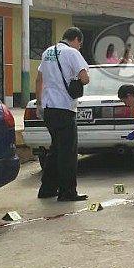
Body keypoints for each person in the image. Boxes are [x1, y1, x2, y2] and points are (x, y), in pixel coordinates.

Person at [35, 27, 90, 202]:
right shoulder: (72, 53)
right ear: (76, 39)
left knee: (56, 149)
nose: (79, 47)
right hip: (65, 108)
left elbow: (39, 79)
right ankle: (67, 192)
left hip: (49, 107)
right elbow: (85, 78)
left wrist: (38, 103)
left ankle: (47, 188)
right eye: (79, 44)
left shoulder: (47, 52)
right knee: (68, 152)